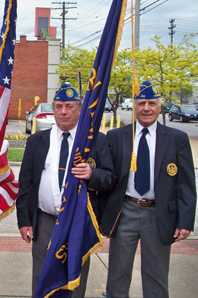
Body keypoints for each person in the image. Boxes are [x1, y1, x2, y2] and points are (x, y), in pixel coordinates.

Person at [16, 83, 116, 298]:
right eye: (59, 106)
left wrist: (92, 174)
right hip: (45, 221)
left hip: (79, 221)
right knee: (42, 274)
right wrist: (24, 221)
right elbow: (25, 184)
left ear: (80, 109)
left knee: (75, 275)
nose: (63, 111)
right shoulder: (37, 141)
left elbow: (110, 178)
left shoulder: (95, 140)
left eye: (69, 106)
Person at [101, 81, 197, 298]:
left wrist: (185, 221)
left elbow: (186, 184)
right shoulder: (116, 137)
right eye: (141, 103)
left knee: (156, 277)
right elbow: (109, 177)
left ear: (160, 107)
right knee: (117, 275)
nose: (146, 108)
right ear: (134, 106)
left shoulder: (176, 139)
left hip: (159, 213)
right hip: (126, 211)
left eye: (151, 103)